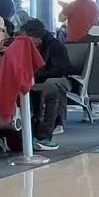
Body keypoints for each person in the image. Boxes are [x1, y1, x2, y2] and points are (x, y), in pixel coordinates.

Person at [21, 18, 70, 149]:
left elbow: (61, 69)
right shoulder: (25, 47)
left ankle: (43, 135)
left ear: (36, 36)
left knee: (50, 87)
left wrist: (37, 76)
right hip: (35, 80)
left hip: (58, 79)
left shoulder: (56, 46)